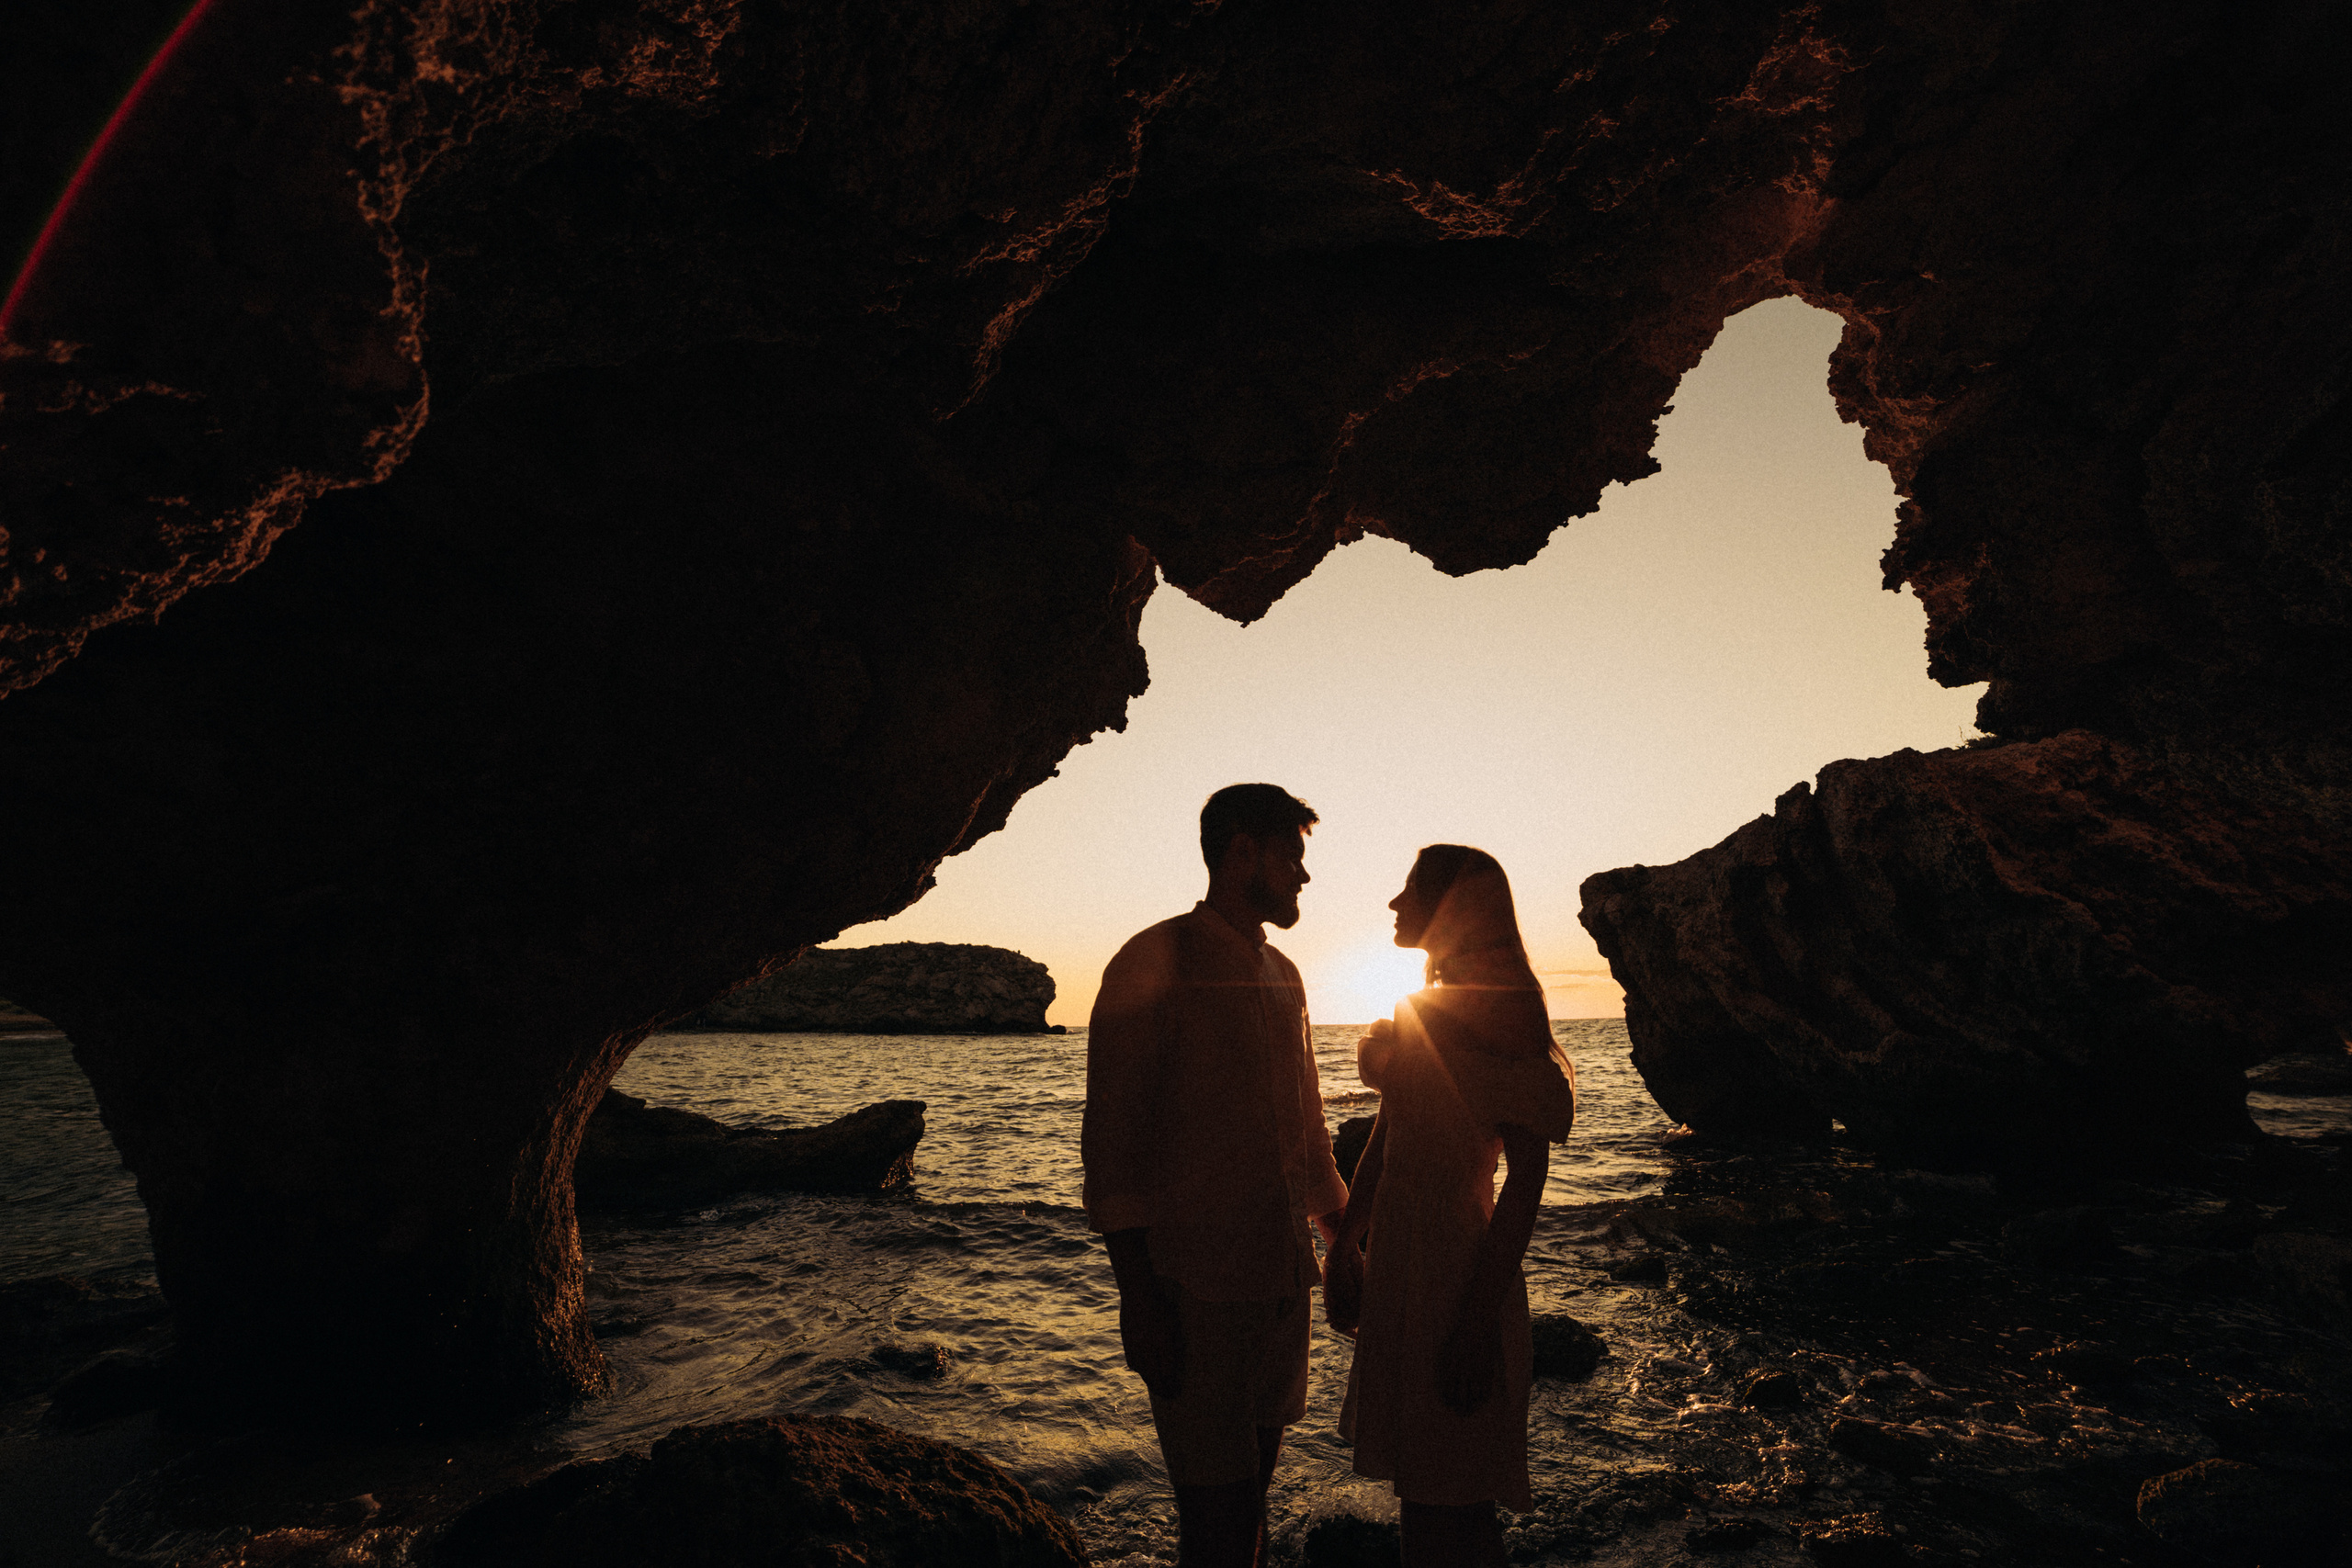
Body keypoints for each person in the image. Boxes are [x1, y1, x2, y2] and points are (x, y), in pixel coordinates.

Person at [1082, 784, 1352, 1568]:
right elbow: (1113, 1150)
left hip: (1280, 1285)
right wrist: (1140, 1301)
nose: (1304, 876)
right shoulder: (1150, 960)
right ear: (1242, 851)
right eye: (1292, 855)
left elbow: (1306, 1136)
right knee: (1217, 1529)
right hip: (1191, 1294)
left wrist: (1343, 1246)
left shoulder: (1286, 975)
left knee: (1250, 1515)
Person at [1324, 845, 1577, 1568]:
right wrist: (1348, 1243)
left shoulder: (1506, 1026)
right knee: (1431, 1505)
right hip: (1404, 1271)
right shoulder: (1417, 1012)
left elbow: (1524, 1184)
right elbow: (1388, 1135)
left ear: (1450, 912)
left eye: (1409, 891)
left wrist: (1473, 1319)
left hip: (1459, 1278)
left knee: (1449, 1511)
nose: (1395, 904)